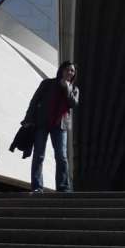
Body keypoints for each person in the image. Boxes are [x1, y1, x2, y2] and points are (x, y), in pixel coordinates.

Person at [24, 61, 79, 193]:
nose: (70, 72)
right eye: (67, 70)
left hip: (61, 125)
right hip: (42, 123)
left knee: (61, 156)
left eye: (72, 71)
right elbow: (35, 100)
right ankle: (37, 187)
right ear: (61, 70)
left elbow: (73, 104)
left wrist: (67, 88)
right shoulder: (47, 83)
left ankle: (63, 187)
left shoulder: (74, 88)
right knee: (39, 155)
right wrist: (28, 118)